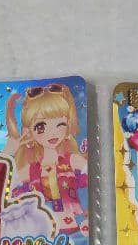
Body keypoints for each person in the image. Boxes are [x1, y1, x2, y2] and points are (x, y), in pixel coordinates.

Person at [6, 84, 88, 235]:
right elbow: (3, 186)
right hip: (41, 234)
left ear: (68, 126)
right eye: (41, 126)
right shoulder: (31, 169)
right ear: (28, 131)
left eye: (60, 124)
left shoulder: (72, 161)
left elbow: (96, 177)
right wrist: (8, 151)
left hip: (75, 230)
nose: (52, 132)